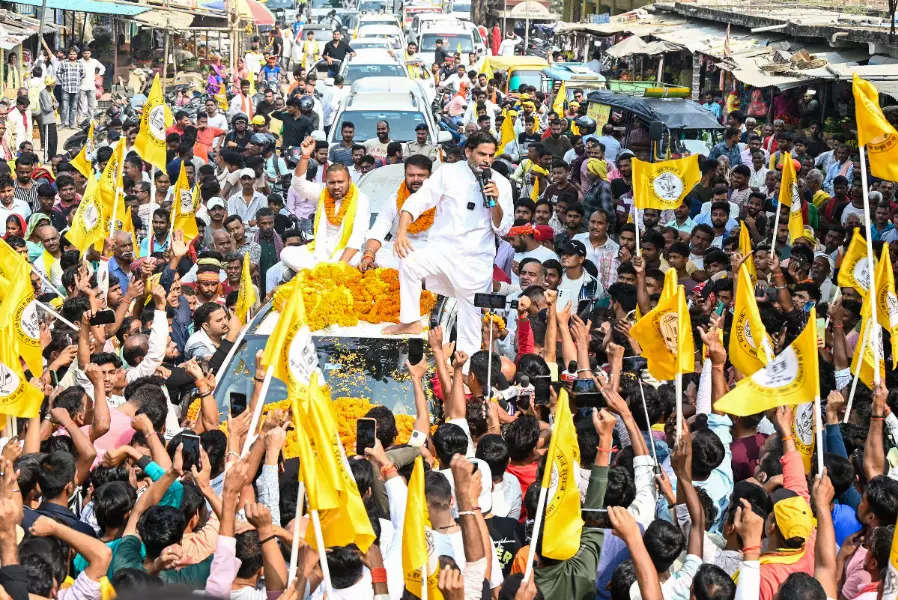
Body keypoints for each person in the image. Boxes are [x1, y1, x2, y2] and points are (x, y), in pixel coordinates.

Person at [382, 131, 513, 357]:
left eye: (491, 155)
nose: (487, 160)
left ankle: (464, 376)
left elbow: (503, 228)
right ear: (468, 152)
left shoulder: (500, 183)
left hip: (475, 261)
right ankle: (410, 321)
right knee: (409, 262)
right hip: (442, 251)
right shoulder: (448, 173)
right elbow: (416, 202)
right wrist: (401, 233)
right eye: (482, 154)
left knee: (469, 331)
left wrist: (496, 202)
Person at [281, 135, 370, 270]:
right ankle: (323, 270)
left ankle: (321, 270)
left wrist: (341, 264)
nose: (336, 186)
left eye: (340, 182)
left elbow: (358, 236)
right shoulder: (323, 192)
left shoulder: (361, 199)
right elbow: (297, 184)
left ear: (350, 181)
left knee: (355, 259)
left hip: (344, 251)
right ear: (326, 182)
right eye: (332, 182)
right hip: (320, 249)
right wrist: (305, 156)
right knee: (286, 253)